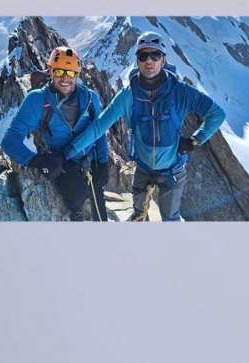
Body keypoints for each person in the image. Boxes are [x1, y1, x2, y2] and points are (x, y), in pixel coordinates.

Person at [65, 31, 226, 221]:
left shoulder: (180, 91)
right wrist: (67, 152)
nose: (149, 60)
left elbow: (217, 114)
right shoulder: (128, 95)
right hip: (142, 168)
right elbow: (99, 126)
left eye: (155, 55)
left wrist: (194, 141)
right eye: (143, 56)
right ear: (137, 60)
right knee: (139, 217)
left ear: (163, 59)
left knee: (170, 220)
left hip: (172, 170)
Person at [0, 46, 109, 221]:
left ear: (78, 74)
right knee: (77, 194)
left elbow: (100, 131)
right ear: (50, 71)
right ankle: (77, 215)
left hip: (91, 160)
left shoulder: (90, 98)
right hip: (60, 161)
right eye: (59, 72)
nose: (65, 78)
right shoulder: (37, 100)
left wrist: (103, 162)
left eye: (71, 73)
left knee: (100, 217)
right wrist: (37, 161)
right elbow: (9, 141)